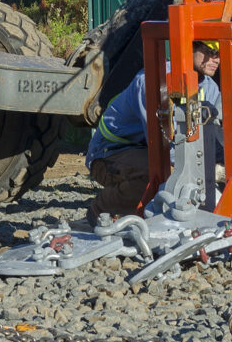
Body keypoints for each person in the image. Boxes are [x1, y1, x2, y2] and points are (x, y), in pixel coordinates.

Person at [83, 43, 218, 218]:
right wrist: (209, 169)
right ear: (188, 48)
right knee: (157, 174)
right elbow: (162, 145)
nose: (216, 59)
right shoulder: (152, 82)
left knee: (185, 172)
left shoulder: (210, 87)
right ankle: (101, 212)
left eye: (219, 53)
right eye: (210, 52)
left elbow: (212, 136)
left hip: (144, 151)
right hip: (108, 154)